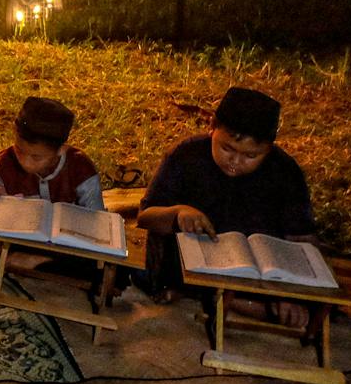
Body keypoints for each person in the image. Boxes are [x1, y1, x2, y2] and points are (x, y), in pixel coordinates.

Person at [136, 86, 317, 327]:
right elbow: (145, 218)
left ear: (269, 148)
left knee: (313, 305)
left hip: (257, 275)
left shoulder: (284, 172)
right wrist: (179, 212)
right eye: (227, 148)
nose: (236, 161)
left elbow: (302, 240)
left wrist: (289, 293)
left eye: (251, 156)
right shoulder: (186, 155)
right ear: (212, 127)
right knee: (148, 271)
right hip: (190, 264)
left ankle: (227, 300)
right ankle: (222, 299)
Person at [0, 96, 104, 280]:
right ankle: (1, 258)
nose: (25, 162)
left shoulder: (81, 169)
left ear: (61, 150)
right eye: (20, 151)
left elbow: (96, 221)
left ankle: (22, 261)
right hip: (16, 236)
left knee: (103, 262)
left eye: (36, 157)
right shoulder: (2, 162)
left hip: (63, 247)